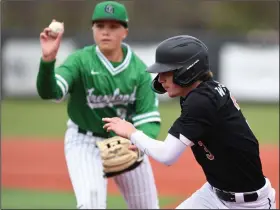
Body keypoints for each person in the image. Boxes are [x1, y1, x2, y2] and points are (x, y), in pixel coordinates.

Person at [102, 35, 277, 209]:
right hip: (213, 195)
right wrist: (139, 141)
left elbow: (167, 155)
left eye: (166, 72)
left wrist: (131, 132)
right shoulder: (203, 92)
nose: (160, 79)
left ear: (187, 71)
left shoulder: (200, 102)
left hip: (250, 204)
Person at [36, 1, 161, 209]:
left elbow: (148, 118)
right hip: (84, 141)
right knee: (91, 205)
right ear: (92, 29)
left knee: (147, 207)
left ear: (125, 31)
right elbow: (51, 91)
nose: (106, 32)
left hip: (124, 141)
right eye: (100, 26)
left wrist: (137, 143)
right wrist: (48, 60)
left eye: (113, 27)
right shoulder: (80, 61)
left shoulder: (139, 70)